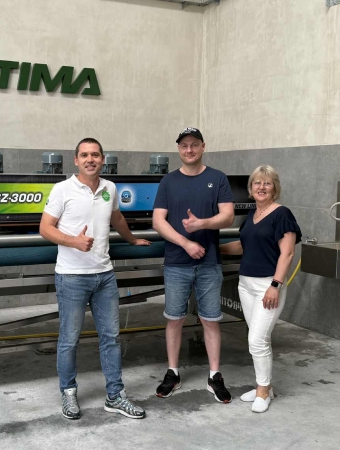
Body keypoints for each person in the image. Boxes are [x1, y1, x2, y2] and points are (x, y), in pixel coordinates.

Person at [40, 137, 151, 420]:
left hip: (104, 276)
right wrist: (73, 241)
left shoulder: (109, 188)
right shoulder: (62, 189)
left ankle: (115, 396)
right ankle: (68, 392)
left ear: (103, 159)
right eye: (85, 155)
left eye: (95, 155)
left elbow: (117, 218)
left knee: (111, 338)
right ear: (76, 160)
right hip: (72, 277)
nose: (90, 159)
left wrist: (132, 239)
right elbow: (45, 228)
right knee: (69, 339)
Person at [152, 127, 235, 403]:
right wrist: (186, 243)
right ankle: (173, 373)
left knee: (210, 320)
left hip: (209, 263)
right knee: (174, 318)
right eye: (184, 145)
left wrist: (202, 224)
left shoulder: (217, 178)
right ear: (179, 149)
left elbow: (228, 216)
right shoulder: (168, 181)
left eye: (194, 144)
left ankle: (214, 376)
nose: (189, 150)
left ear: (203, 147)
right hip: (177, 263)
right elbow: (158, 221)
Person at [219, 165, 301, 413]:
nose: (261, 187)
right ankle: (263, 387)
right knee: (258, 339)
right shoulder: (252, 215)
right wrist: (214, 249)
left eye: (267, 183)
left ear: (275, 188)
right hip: (246, 284)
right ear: (250, 189)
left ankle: (263, 391)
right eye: (257, 183)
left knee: (256, 340)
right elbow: (243, 246)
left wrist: (275, 285)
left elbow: (287, 253)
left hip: (268, 285)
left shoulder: (282, 215)